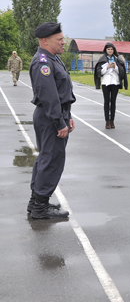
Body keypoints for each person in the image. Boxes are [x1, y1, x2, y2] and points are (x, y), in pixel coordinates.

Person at [27, 22, 75, 219]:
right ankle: (40, 208)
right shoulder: (43, 63)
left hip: (56, 114)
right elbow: (49, 97)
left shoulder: (53, 59)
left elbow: (62, 92)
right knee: (52, 160)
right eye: (60, 39)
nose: (64, 42)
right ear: (45, 41)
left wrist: (68, 117)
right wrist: (59, 122)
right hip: (50, 117)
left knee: (46, 158)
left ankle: (36, 202)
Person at [93, 42, 127, 129]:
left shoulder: (117, 59)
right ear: (106, 50)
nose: (110, 51)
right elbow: (99, 72)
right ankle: (107, 121)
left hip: (115, 83)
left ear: (114, 50)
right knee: (106, 102)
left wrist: (115, 67)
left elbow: (122, 72)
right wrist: (107, 67)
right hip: (106, 83)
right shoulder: (102, 59)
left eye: (111, 49)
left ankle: (112, 120)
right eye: (108, 49)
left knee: (113, 102)